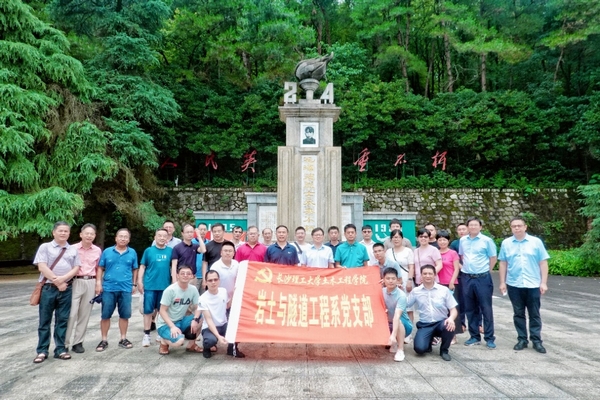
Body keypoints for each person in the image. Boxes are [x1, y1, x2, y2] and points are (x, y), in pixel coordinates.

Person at [498, 217, 550, 354]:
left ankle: (536, 340)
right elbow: (503, 263)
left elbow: (543, 263)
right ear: (511, 228)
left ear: (525, 227)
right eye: (514, 226)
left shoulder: (536, 242)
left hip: (533, 284)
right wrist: (502, 282)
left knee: (534, 313)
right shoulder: (506, 243)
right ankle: (522, 339)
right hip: (514, 284)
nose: (517, 228)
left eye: (519, 225)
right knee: (518, 313)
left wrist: (543, 282)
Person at [33, 222, 81, 364]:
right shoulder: (45, 247)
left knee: (62, 320)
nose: (63, 233)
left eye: (66, 231)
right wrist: (57, 281)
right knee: (45, 321)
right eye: (60, 230)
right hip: (49, 288)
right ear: (54, 232)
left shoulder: (73, 249)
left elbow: (76, 268)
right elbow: (42, 267)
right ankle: (42, 350)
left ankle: (60, 349)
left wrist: (63, 280)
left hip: (66, 288)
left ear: (69, 233)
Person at [157, 265, 223, 355]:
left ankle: (191, 345)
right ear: (177, 275)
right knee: (179, 342)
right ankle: (164, 342)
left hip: (180, 321)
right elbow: (162, 311)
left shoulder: (193, 289)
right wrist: (172, 327)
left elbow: (198, 307)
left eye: (188, 273)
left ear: (192, 276)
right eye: (182, 273)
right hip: (165, 324)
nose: (185, 275)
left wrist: (195, 319)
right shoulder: (170, 290)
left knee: (202, 315)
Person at [96, 228, 138, 352]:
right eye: (121, 236)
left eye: (126, 237)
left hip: (125, 288)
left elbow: (135, 268)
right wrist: (98, 283)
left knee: (125, 315)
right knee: (105, 315)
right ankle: (104, 339)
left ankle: (123, 338)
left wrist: (134, 284)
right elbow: (100, 268)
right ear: (116, 238)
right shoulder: (107, 252)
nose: (123, 239)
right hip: (109, 288)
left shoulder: (132, 252)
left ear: (129, 239)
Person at [459, 217, 498, 349]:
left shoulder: (487, 241)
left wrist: (487, 270)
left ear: (480, 227)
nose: (473, 227)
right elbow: (462, 256)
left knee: (486, 308)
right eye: (471, 225)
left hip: (482, 278)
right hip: (467, 277)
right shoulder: (463, 240)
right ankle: (474, 336)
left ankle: (489, 337)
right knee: (470, 308)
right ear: (467, 227)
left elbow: (493, 258)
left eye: (476, 225)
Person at [407, 265, 457, 361]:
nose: (427, 276)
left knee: (449, 326)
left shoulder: (444, 290)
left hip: (441, 323)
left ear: (435, 275)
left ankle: (444, 350)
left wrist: (451, 318)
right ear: (421, 276)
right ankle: (428, 342)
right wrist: (397, 290)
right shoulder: (416, 291)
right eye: (425, 274)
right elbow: (405, 304)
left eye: (430, 273)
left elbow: (453, 309)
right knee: (419, 349)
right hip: (425, 324)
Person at [65, 223, 102, 354]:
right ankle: (65, 343)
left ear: (95, 236)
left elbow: (98, 268)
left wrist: (98, 283)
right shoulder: (72, 248)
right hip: (75, 281)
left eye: (92, 234)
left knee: (84, 314)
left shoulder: (97, 250)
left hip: (90, 281)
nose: (89, 236)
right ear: (81, 234)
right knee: (71, 313)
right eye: (87, 233)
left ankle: (78, 342)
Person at [138, 228, 173, 347]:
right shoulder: (149, 251)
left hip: (165, 287)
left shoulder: (170, 251)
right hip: (150, 286)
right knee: (148, 311)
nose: (162, 238)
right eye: (159, 235)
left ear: (167, 238)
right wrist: (139, 281)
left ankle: (160, 332)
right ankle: (146, 334)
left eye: (164, 236)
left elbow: (173, 268)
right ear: (155, 237)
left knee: (162, 311)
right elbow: (142, 266)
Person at [200, 270, 244, 358]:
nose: (213, 282)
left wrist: (234, 295)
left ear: (219, 280)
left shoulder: (223, 291)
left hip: (223, 324)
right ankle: (206, 347)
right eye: (210, 280)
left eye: (215, 279)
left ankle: (231, 349)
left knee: (238, 331)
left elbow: (227, 306)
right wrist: (218, 336)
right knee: (210, 341)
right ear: (206, 282)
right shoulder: (202, 298)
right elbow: (209, 320)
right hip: (209, 327)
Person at [437, 229, 462, 342]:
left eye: (444, 240)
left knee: (452, 309)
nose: (442, 242)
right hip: (438, 284)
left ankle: (453, 335)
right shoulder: (435, 253)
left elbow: (456, 268)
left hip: (450, 284)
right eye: (440, 240)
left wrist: (452, 281)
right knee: (440, 309)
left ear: (448, 241)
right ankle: (441, 333)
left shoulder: (453, 253)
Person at [383, 268, 413, 362]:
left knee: (398, 321)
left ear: (397, 280)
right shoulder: (381, 291)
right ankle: (394, 342)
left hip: (404, 325)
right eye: (388, 278)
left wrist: (393, 335)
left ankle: (400, 350)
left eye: (393, 278)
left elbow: (397, 316)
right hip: (387, 324)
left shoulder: (401, 295)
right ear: (383, 280)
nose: (390, 281)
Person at [192, 222, 209, 293]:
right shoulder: (191, 242)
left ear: (207, 231)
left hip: (205, 276)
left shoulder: (209, 243)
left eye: (204, 229)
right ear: (197, 231)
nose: (202, 231)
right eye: (201, 229)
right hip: (194, 276)